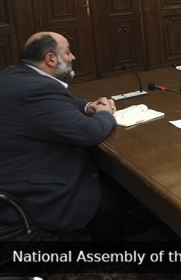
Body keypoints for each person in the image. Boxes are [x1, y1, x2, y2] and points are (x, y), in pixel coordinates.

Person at [0, 32, 121, 240]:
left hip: (11, 172)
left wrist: (89, 106)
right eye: (68, 52)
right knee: (111, 202)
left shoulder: (14, 75)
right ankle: (112, 259)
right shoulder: (38, 89)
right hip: (31, 193)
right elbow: (89, 132)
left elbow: (60, 104)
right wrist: (105, 114)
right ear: (50, 59)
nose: (73, 57)